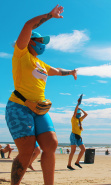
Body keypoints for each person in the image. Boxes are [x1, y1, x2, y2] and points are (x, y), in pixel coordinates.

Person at [5, 5, 78, 185]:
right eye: (40, 42)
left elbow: (56, 71)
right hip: (19, 106)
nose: (43, 45)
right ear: (30, 41)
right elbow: (28, 25)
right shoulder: (21, 54)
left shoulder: (40, 63)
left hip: (39, 108)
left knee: (51, 144)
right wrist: (50, 16)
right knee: (27, 150)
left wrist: (71, 72)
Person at [67, 98, 88, 170]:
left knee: (83, 149)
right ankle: (69, 165)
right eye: (78, 114)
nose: (79, 114)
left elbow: (86, 114)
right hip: (73, 135)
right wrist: (77, 105)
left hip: (79, 136)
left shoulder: (80, 119)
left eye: (80, 114)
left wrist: (81, 109)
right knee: (73, 151)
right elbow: (75, 112)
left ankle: (77, 162)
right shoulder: (73, 119)